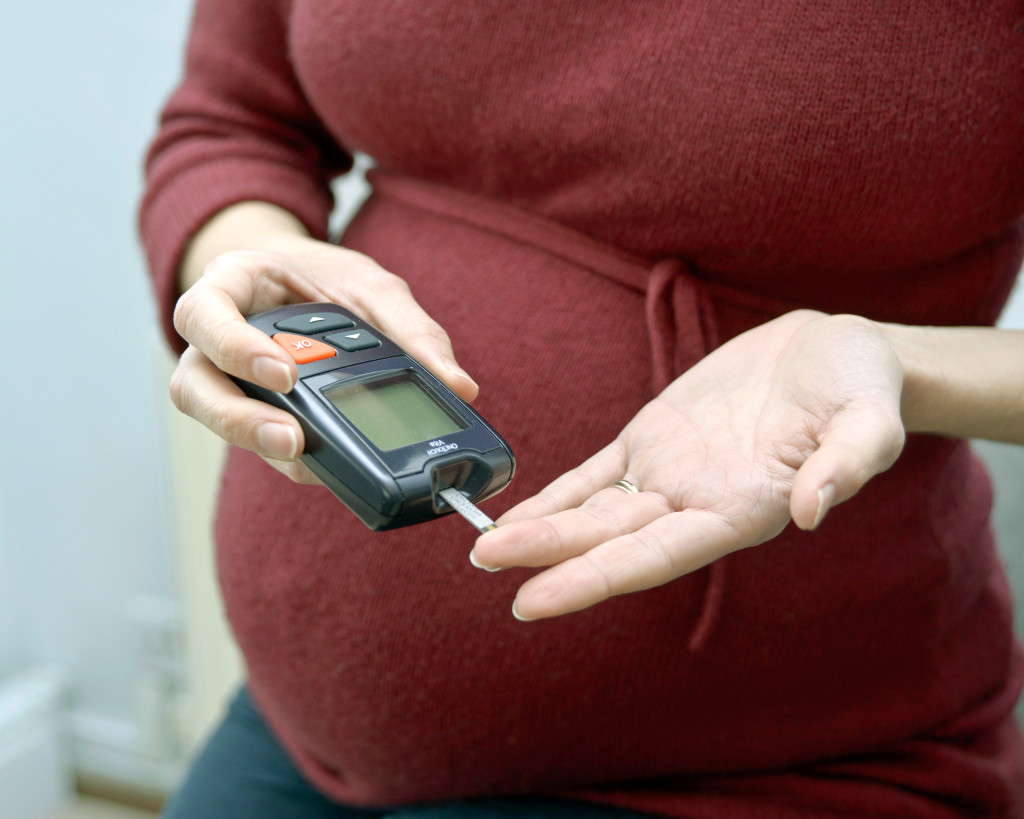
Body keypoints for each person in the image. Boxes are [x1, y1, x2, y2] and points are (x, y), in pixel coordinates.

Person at [140, 1, 1024, 816]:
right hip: (294, 733)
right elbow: (231, 122)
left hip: (765, 764)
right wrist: (253, 279)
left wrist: (903, 361)